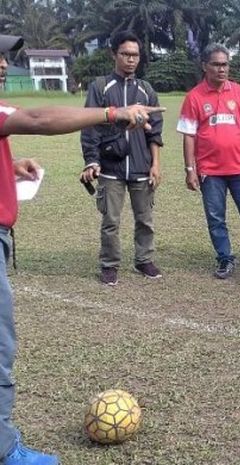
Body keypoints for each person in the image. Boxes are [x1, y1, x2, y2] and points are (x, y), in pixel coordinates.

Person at [0, 34, 163, 465]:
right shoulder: (102, 91)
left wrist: (10, 165)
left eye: (3, 57)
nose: (2, 64)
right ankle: (3, 451)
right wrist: (113, 113)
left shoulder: (146, 87)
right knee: (0, 349)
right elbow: (35, 116)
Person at [177, 43, 240, 279]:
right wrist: (190, 169)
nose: (222, 69)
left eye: (225, 64)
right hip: (210, 171)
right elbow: (189, 136)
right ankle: (224, 258)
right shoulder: (194, 97)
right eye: (216, 64)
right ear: (205, 66)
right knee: (216, 218)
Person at [80, 30, 164, 286]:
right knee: (110, 222)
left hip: (141, 166)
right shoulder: (100, 87)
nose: (131, 59)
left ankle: (144, 260)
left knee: (145, 220)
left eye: (135, 55)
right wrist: (92, 161)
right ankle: (109, 264)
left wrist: (156, 164)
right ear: (113, 54)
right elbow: (89, 127)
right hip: (110, 168)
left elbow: (156, 132)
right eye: (125, 54)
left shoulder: (146, 90)